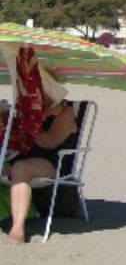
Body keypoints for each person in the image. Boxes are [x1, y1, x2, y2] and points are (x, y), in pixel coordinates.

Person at [2, 90, 77, 245]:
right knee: (17, 165)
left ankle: (17, 229)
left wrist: (32, 123)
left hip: (50, 163)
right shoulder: (24, 109)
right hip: (19, 157)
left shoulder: (65, 112)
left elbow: (50, 142)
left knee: (20, 168)